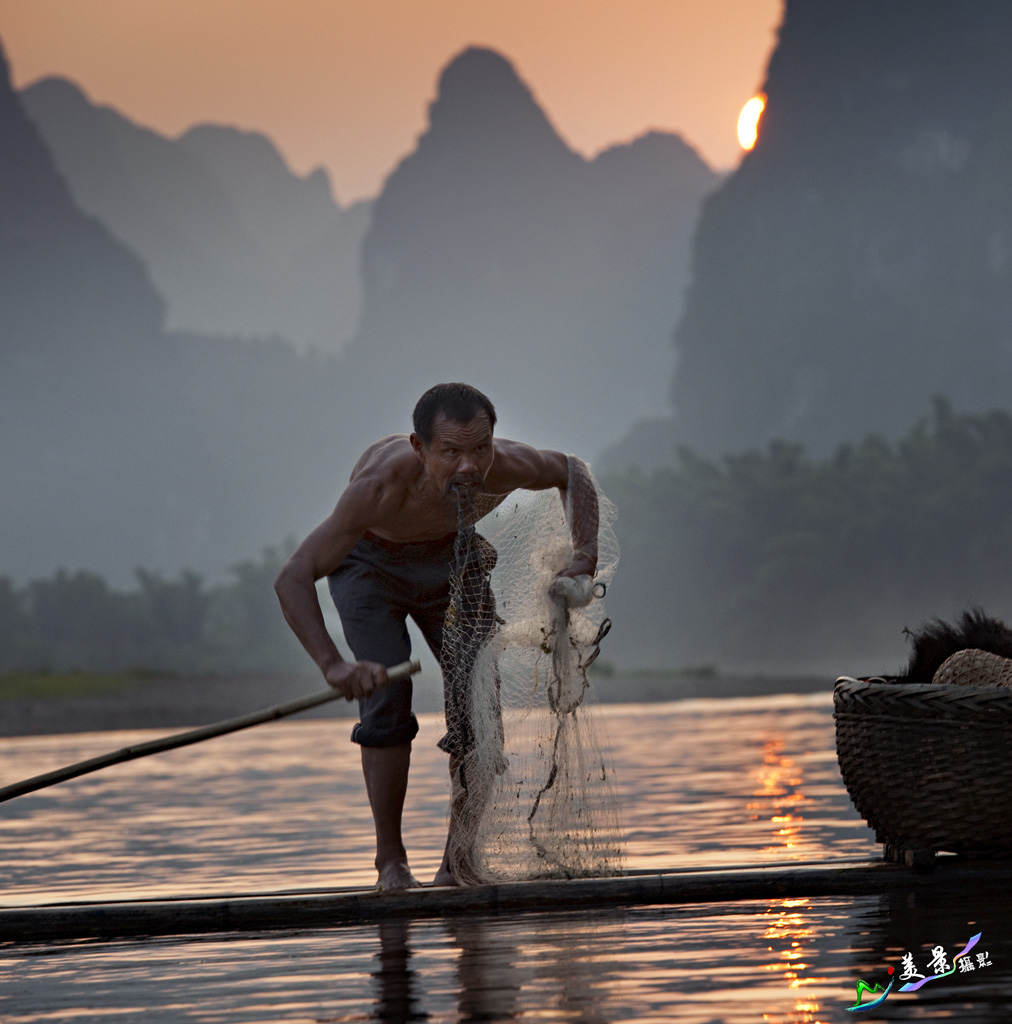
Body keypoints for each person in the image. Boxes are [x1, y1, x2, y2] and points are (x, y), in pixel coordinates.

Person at [274, 382, 599, 890]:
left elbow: (573, 473)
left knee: (479, 704)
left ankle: (459, 862)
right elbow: (293, 576)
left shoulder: (507, 466)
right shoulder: (379, 488)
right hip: (370, 566)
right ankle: (391, 863)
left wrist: (584, 556)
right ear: (420, 449)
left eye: (480, 449)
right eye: (451, 452)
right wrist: (333, 665)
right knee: (387, 695)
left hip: (455, 559)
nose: (469, 467)